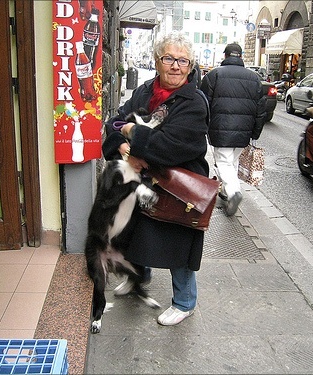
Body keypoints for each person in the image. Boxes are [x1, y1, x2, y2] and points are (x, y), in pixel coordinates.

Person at [102, 31, 209, 326]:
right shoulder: (145, 91)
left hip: (179, 185)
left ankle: (185, 302)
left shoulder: (194, 102)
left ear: (190, 66)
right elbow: (114, 122)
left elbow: (170, 146)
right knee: (137, 232)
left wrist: (130, 134)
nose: (175, 66)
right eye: (169, 58)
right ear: (157, 61)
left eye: (182, 60)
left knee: (178, 243)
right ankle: (139, 278)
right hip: (143, 181)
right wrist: (125, 146)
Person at [200, 43, 266, 216]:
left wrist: (202, 127)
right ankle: (226, 192)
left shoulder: (214, 75)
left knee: (223, 162)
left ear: (225, 56)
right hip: (244, 131)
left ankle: (234, 192)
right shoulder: (254, 78)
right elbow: (261, 109)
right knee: (232, 162)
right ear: (241, 56)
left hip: (220, 128)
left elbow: (203, 103)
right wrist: (255, 132)